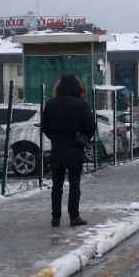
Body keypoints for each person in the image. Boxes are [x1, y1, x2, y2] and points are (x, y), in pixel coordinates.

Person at [41, 75, 96, 227]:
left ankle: (56, 217)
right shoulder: (82, 105)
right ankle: (74, 216)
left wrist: (55, 137)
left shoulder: (50, 105)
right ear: (77, 88)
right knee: (74, 184)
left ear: (58, 88)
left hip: (57, 149)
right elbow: (91, 126)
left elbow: (45, 127)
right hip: (75, 149)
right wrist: (82, 137)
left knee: (57, 185)